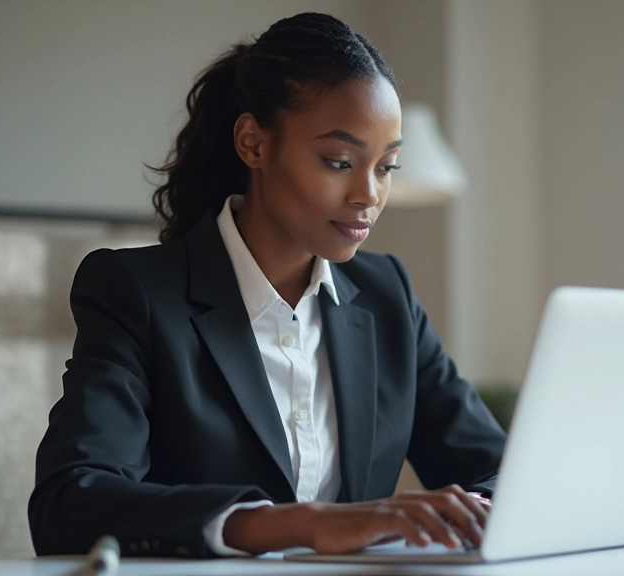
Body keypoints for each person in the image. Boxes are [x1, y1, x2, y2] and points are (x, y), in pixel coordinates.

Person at [28, 12, 506, 559]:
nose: (368, 194)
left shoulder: (385, 294)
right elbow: (69, 505)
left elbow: (497, 469)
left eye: (387, 167)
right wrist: (297, 524)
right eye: (339, 161)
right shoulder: (136, 293)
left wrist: (482, 508)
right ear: (253, 143)